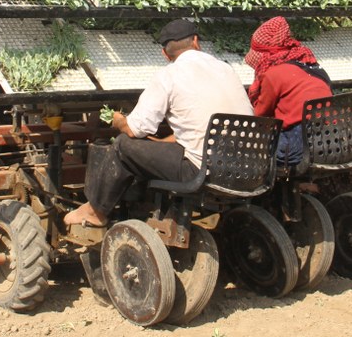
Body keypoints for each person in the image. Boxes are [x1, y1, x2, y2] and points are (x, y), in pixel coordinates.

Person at [64, 18, 254, 227]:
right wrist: (162, 142)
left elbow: (134, 129)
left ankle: (95, 211)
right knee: (161, 146)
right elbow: (200, 127)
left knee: (122, 145)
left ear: (165, 54)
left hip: (203, 170)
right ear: (197, 42)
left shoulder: (168, 75)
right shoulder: (226, 69)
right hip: (246, 164)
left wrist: (118, 121)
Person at [244, 16, 331, 166]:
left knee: (247, 150)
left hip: (297, 147)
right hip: (330, 140)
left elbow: (260, 114)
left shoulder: (274, 73)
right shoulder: (310, 63)